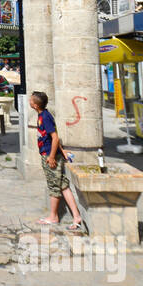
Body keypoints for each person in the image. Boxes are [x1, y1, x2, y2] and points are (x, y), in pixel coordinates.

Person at [31, 90, 83, 230]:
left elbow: (54, 137)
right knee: (63, 185)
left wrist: (52, 156)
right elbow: (54, 136)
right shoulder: (42, 115)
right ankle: (76, 215)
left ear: (35, 105)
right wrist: (62, 150)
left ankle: (53, 216)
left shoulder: (46, 117)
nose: (30, 102)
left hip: (49, 156)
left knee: (54, 186)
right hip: (51, 153)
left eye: (31, 101)